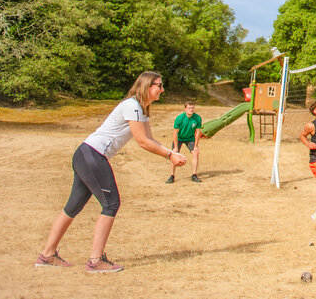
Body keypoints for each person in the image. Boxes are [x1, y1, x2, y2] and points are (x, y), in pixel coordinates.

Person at [35, 71, 187, 272]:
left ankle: (46, 256)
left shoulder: (141, 108)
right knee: (111, 203)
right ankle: (96, 261)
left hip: (85, 154)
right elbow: (142, 141)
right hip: (92, 156)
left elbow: (149, 138)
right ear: (146, 86)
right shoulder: (132, 106)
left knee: (73, 206)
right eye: (159, 85)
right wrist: (169, 157)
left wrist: (172, 152)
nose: (162, 89)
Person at [167, 100, 202, 183]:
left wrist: (196, 146)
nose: (191, 110)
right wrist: (175, 147)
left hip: (190, 138)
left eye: (192, 108)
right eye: (189, 108)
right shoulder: (179, 118)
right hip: (179, 138)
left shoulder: (197, 118)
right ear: (185, 109)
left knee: (195, 153)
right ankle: (172, 176)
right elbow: (175, 133)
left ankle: (194, 175)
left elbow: (197, 133)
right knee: (173, 155)